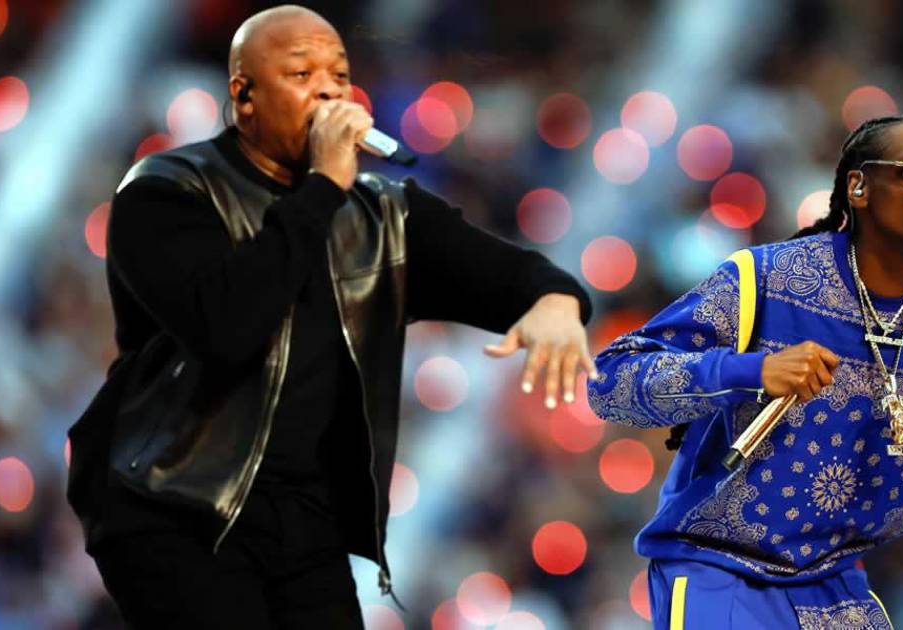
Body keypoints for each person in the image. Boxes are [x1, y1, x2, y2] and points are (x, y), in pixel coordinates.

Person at [65, 5, 594, 628]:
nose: (327, 93)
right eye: (301, 74)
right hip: (174, 499)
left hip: (298, 515)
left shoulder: (374, 214)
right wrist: (321, 189)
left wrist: (554, 298)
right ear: (245, 95)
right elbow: (228, 329)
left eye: (338, 76)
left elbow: (491, 268)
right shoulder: (166, 193)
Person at [588, 114, 903, 629]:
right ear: (858, 187)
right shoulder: (765, 281)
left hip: (837, 584)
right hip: (718, 567)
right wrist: (754, 371)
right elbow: (611, 380)